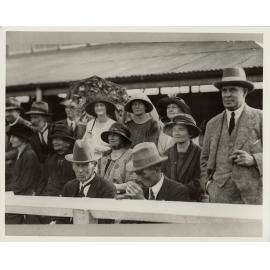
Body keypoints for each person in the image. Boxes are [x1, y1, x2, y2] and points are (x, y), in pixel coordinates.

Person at [200, 67, 262, 205]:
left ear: (244, 92)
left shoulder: (261, 118)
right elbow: (204, 160)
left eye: (233, 89)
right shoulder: (212, 124)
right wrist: (208, 185)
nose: (227, 95)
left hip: (253, 197)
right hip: (219, 196)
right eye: (224, 90)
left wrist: (254, 160)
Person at [56, 139, 116, 224]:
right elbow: (61, 219)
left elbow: (107, 224)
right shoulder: (68, 187)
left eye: (85, 165)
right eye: (77, 165)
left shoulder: (107, 188)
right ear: (72, 165)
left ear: (94, 165)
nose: (80, 170)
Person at [118, 142, 190, 201]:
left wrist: (142, 202)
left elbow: (170, 218)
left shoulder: (179, 192)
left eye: (142, 173)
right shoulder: (140, 190)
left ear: (157, 169)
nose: (138, 179)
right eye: (137, 173)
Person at [5, 123, 42, 224]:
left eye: (13, 137)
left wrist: (4, 189)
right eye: (10, 137)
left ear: (23, 138)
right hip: (18, 194)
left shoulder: (29, 155)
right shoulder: (20, 153)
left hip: (26, 197)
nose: (11, 140)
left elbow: (23, 184)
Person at [161, 113, 202, 201]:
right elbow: (162, 177)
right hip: (169, 199)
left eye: (181, 129)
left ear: (190, 133)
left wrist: (179, 190)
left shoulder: (199, 153)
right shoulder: (167, 154)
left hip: (191, 200)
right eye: (174, 130)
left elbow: (200, 179)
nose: (177, 133)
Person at [98, 122, 135, 193]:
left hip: (122, 200)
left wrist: (113, 187)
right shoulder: (104, 156)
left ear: (123, 138)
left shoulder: (131, 155)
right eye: (110, 134)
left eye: (116, 135)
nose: (111, 137)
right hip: (102, 198)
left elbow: (133, 184)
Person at [42, 124, 76, 196]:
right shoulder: (50, 159)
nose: (54, 142)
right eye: (53, 139)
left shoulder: (74, 160)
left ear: (68, 142)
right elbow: (43, 181)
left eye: (58, 139)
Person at [5, 97, 33, 184]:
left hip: (20, 171)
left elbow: (28, 147)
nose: (6, 114)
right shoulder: (6, 127)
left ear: (18, 112)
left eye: (10, 111)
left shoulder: (27, 126)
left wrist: (5, 156)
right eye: (5, 111)